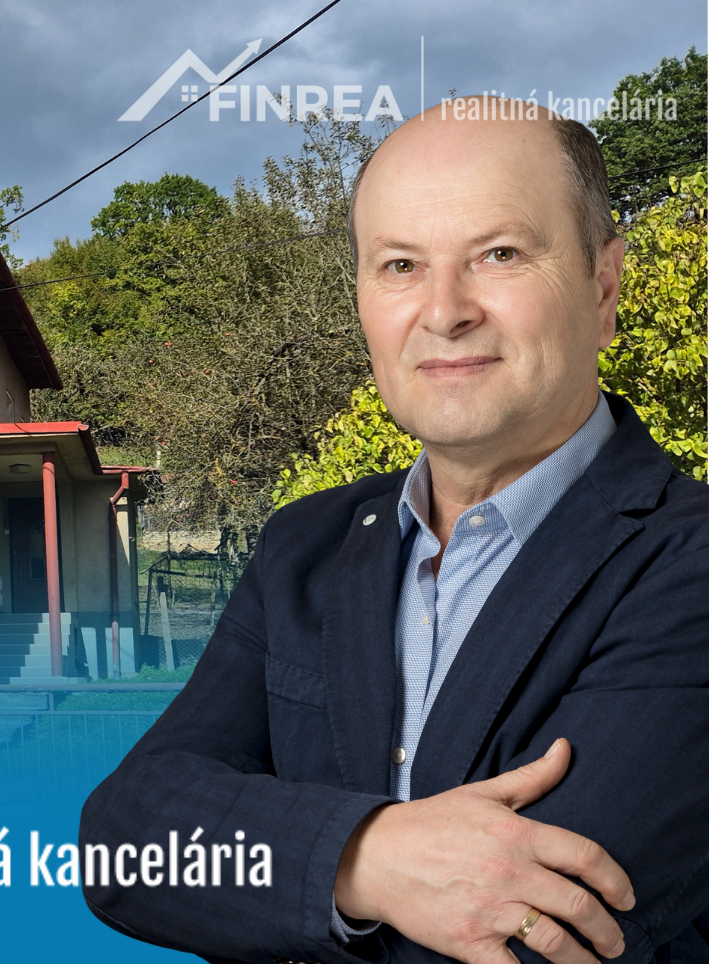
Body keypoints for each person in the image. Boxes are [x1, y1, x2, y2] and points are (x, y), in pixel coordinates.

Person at [80, 98, 709, 964]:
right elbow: (126, 844)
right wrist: (365, 856)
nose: (444, 311)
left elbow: (536, 940)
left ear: (604, 289)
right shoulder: (304, 545)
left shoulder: (687, 561)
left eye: (499, 254)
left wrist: (273, 871)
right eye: (401, 265)